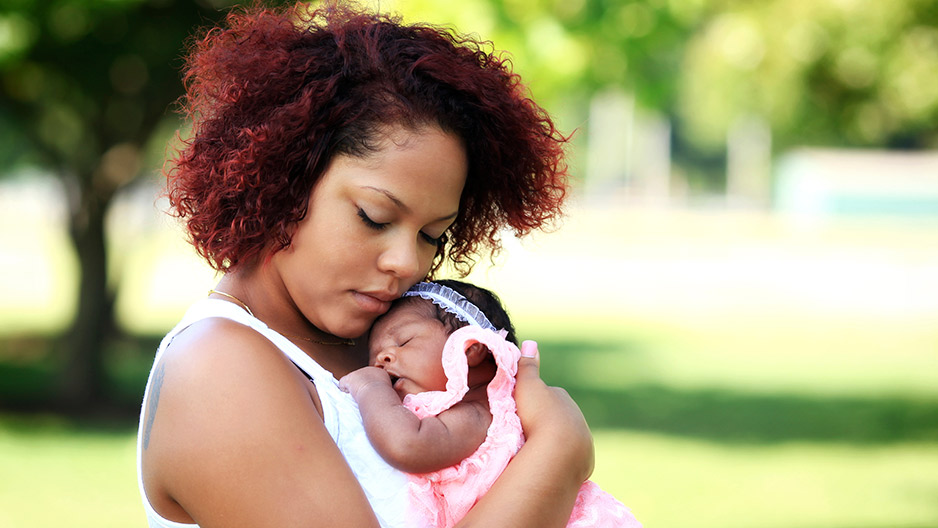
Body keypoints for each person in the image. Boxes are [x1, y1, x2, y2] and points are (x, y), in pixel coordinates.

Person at [136, 2, 595, 527]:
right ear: (286, 180)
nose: (406, 263)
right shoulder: (218, 369)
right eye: (373, 217)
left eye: (431, 235)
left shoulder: (391, 344)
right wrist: (558, 454)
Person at [340, 280, 643, 528]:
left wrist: (370, 388)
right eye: (374, 356)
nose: (382, 359)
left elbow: (408, 445)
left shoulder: (481, 414)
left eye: (403, 341)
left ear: (469, 348)